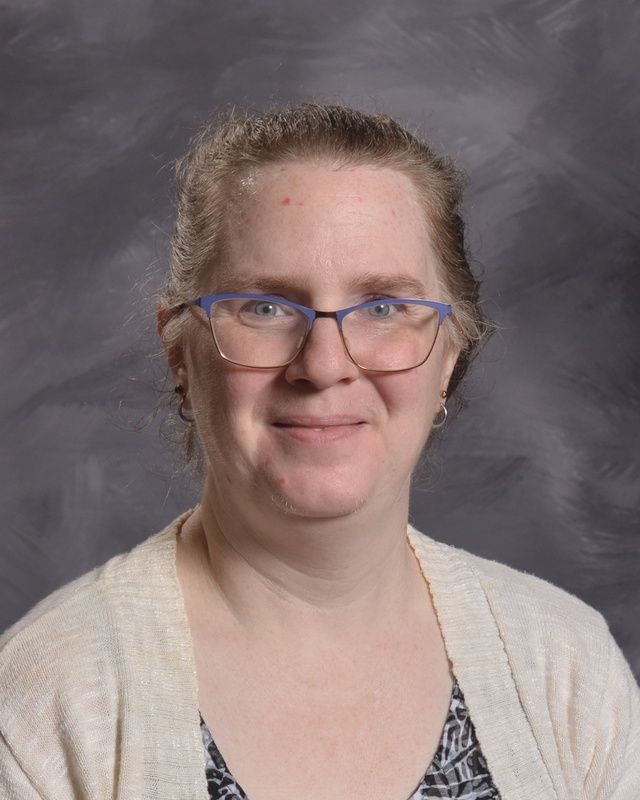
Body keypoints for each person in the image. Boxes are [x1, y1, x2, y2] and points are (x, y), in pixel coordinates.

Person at [1, 104, 638, 800]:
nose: (325, 365)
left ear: (449, 355)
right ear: (180, 353)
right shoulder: (44, 701)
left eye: (384, 306)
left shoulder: (568, 668)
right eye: (266, 307)